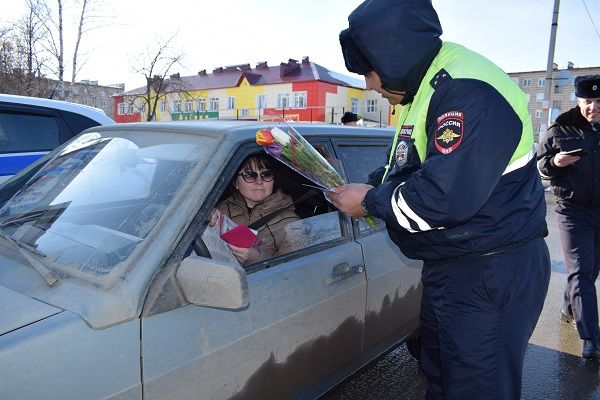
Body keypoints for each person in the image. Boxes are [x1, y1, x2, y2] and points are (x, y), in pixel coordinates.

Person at [328, 0, 551, 398]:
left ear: (393, 55)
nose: (369, 85)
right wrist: (367, 187)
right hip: (458, 268)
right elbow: (407, 169)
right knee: (442, 379)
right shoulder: (426, 87)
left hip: (488, 272)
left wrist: (370, 202)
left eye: (368, 71)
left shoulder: (466, 90)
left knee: (477, 389)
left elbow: (443, 198)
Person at [537, 74, 600, 359]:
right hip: (573, 211)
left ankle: (568, 307)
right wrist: (555, 162)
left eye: (599, 101)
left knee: (590, 270)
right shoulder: (560, 128)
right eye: (588, 101)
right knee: (580, 270)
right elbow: (539, 167)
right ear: (579, 100)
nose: (593, 107)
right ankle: (590, 338)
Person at [210, 154, 304, 265]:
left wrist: (257, 258)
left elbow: (292, 271)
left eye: (266, 174)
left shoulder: (292, 223)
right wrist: (206, 216)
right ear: (236, 183)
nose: (259, 181)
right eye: (249, 175)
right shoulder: (222, 208)